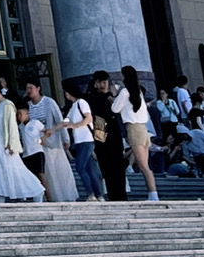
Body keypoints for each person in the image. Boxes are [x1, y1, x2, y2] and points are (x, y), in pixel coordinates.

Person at [0, 85, 43, 202]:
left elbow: (12, 126)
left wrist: (12, 144)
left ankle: (37, 190)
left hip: (5, 143)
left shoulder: (8, 105)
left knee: (17, 169)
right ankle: (1, 196)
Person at [114, 65, 159, 202]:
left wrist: (113, 97)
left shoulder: (124, 92)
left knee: (143, 166)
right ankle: (152, 194)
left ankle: (153, 194)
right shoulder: (138, 91)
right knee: (144, 165)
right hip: (143, 129)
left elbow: (115, 109)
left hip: (133, 128)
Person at [87, 72, 127, 202]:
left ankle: (121, 195)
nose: (102, 85)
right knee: (105, 165)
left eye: (105, 82)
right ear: (95, 83)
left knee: (118, 164)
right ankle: (112, 195)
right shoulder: (91, 98)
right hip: (100, 127)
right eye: (100, 82)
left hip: (114, 131)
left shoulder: (113, 97)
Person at [62, 84, 103, 201]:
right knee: (90, 169)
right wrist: (54, 129)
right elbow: (66, 121)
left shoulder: (81, 102)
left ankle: (91, 194)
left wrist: (75, 126)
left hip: (86, 140)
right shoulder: (73, 107)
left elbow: (88, 118)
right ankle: (99, 195)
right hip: (80, 141)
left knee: (80, 167)